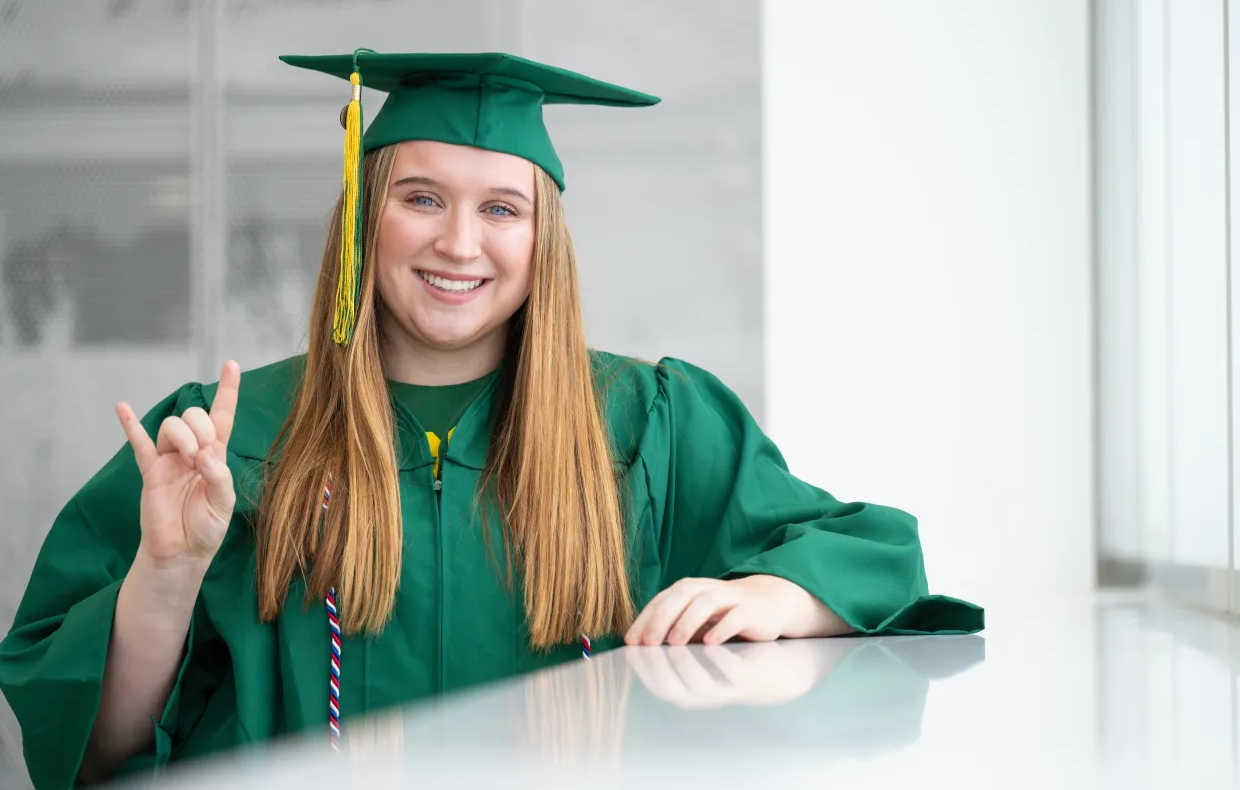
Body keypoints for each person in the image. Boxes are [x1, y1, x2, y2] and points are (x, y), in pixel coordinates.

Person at [0, 50, 983, 788]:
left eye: (502, 209)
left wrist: (782, 594)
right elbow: (93, 750)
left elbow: (874, 553)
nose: (460, 243)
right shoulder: (227, 440)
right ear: (364, 217)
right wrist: (167, 572)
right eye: (421, 197)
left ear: (543, 238)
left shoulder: (648, 423)